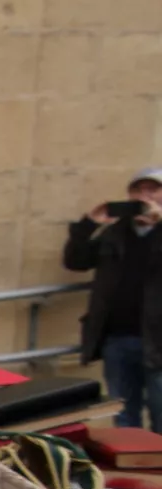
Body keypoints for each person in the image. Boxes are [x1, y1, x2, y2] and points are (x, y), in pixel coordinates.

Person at [64, 167, 162, 429]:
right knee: (123, 413)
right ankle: (133, 467)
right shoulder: (115, 233)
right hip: (117, 338)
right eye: (138, 190)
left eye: (153, 189)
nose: (145, 196)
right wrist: (88, 224)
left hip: (158, 342)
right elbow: (76, 261)